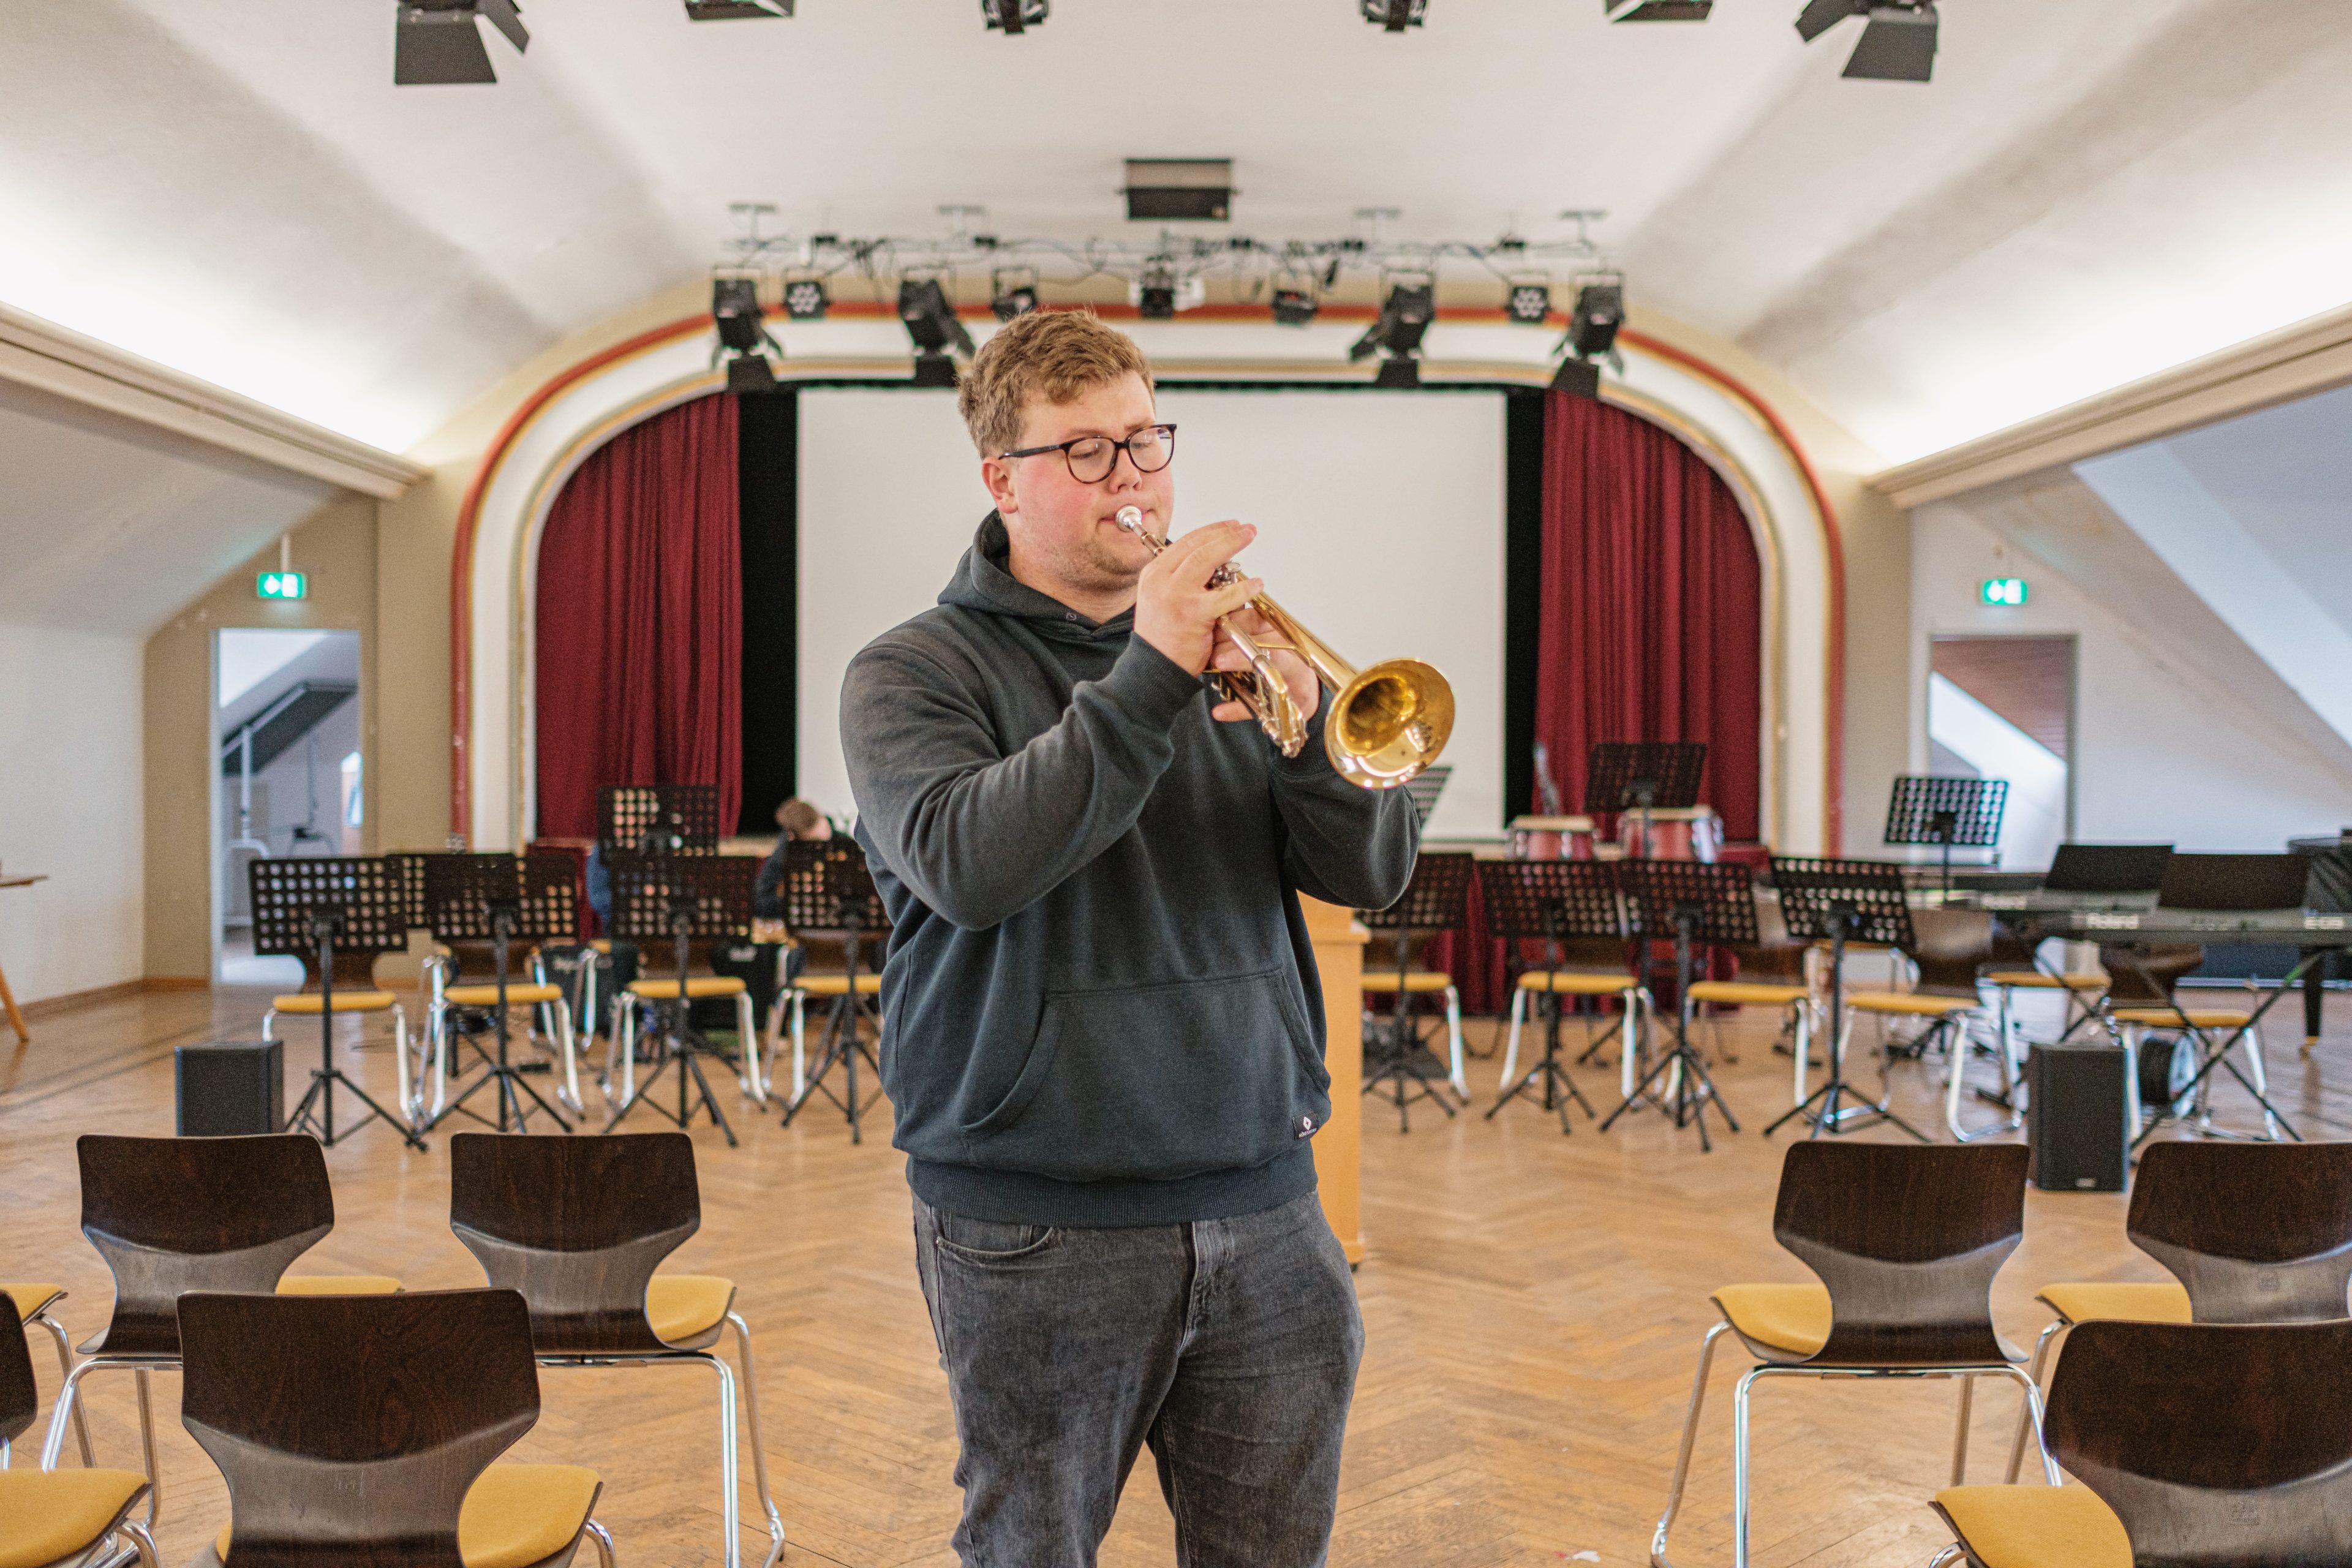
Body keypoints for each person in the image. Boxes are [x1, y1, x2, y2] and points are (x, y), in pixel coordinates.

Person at [841, 309, 1418, 1567]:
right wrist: (1153, 671)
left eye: (1147, 440)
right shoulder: (912, 672)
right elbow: (973, 865)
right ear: (1002, 480)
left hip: (1269, 1201)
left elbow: (1366, 874)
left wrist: (1314, 744)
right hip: (1034, 1222)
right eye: (1086, 452)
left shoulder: (1236, 651)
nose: (1134, 478)